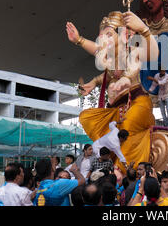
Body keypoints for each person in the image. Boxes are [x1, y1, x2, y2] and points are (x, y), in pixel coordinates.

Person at [67, 10, 159, 175]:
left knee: (126, 127)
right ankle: (109, 166)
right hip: (116, 109)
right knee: (88, 118)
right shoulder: (110, 60)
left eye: (109, 34)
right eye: (102, 36)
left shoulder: (134, 51)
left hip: (138, 104)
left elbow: (153, 54)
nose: (103, 39)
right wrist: (79, 40)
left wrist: (143, 29)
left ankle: (123, 170)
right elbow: (101, 60)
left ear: (123, 35)